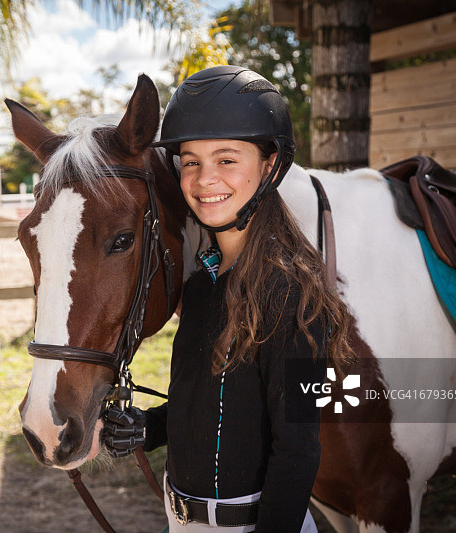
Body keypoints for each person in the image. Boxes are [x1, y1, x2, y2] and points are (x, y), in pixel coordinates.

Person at [101, 66, 353, 532]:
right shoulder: (202, 284)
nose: (203, 179)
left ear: (270, 164)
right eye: (191, 161)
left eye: (227, 159)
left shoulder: (296, 295)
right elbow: (209, 403)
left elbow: (298, 449)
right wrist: (146, 428)